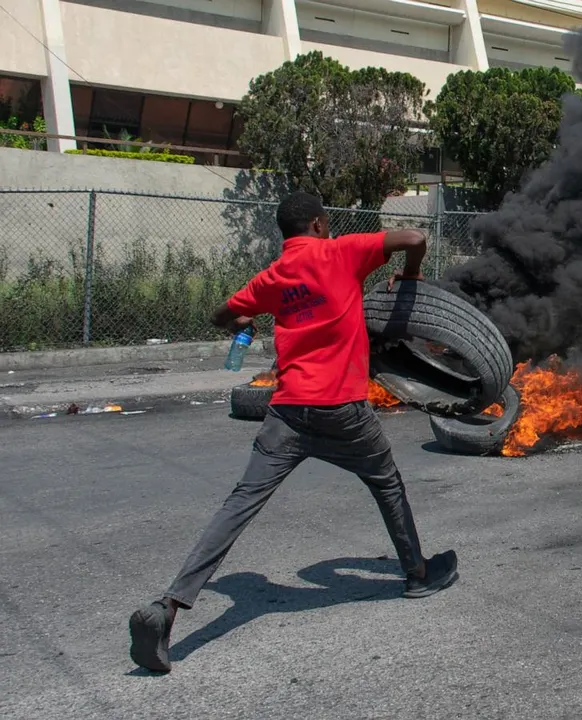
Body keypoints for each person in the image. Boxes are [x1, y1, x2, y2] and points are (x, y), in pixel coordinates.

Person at [128, 191, 458, 674]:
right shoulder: (341, 252)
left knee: (240, 504)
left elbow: (222, 314)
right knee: (386, 483)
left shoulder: (272, 277)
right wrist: (409, 276)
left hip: (286, 413)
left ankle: (169, 606)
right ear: (321, 225)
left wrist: (247, 318)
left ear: (285, 233)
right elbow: (415, 236)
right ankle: (417, 574)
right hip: (342, 409)